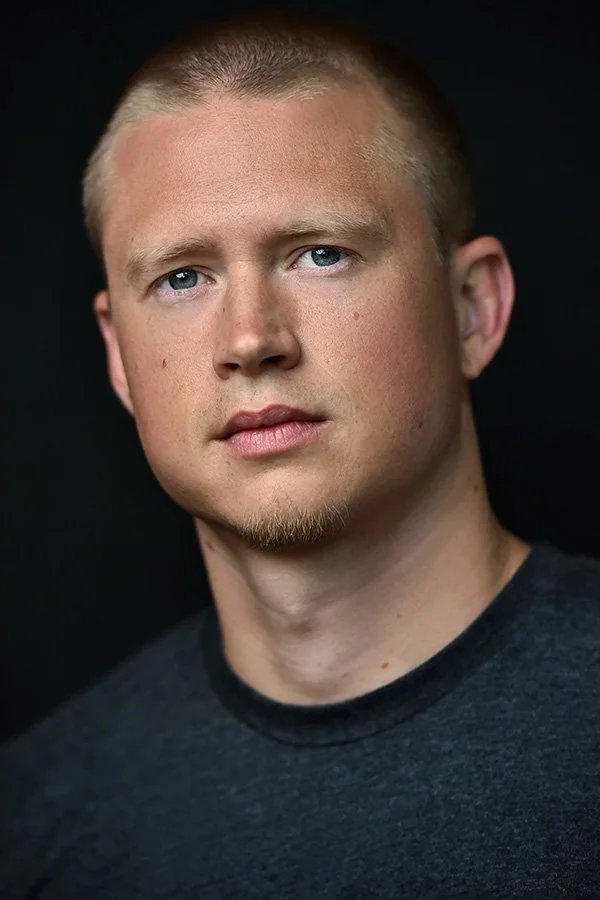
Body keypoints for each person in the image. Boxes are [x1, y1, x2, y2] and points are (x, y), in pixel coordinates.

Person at [2, 9, 599, 898]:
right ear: (121, 359)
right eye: (181, 278)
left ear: (472, 308)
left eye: (321, 254)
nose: (250, 338)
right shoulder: (31, 826)